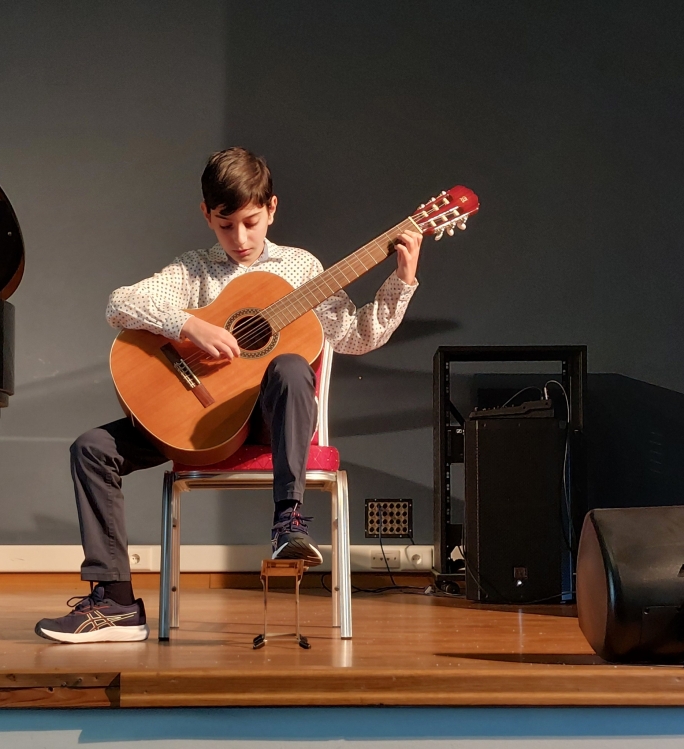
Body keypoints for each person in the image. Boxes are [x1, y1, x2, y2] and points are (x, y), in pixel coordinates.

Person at [35, 147, 422, 643]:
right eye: (225, 225)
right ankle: (115, 603)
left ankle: (288, 524)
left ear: (272, 209)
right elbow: (121, 303)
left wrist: (401, 281)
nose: (239, 239)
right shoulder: (195, 269)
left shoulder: (300, 268)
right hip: (200, 421)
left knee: (289, 365)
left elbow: (355, 336)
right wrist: (190, 326)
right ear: (206, 215)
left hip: (271, 420)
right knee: (90, 448)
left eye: (251, 223)